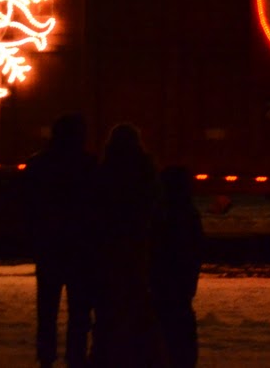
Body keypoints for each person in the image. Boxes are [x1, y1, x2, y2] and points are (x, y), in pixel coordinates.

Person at [25, 113, 99, 368]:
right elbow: (97, 207)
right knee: (79, 309)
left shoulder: (38, 163)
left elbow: (29, 205)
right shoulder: (89, 164)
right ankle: (75, 356)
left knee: (47, 308)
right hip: (80, 248)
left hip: (49, 247)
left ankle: (46, 356)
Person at [91, 123, 166, 367]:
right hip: (136, 241)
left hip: (109, 244)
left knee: (109, 301)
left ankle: (106, 353)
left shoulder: (105, 170)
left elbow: (96, 208)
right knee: (136, 296)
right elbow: (153, 203)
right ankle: (140, 352)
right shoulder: (145, 169)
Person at [152, 166, 204, 368]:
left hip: (162, 289)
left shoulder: (160, 215)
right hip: (182, 290)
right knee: (182, 336)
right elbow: (195, 251)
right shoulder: (189, 215)